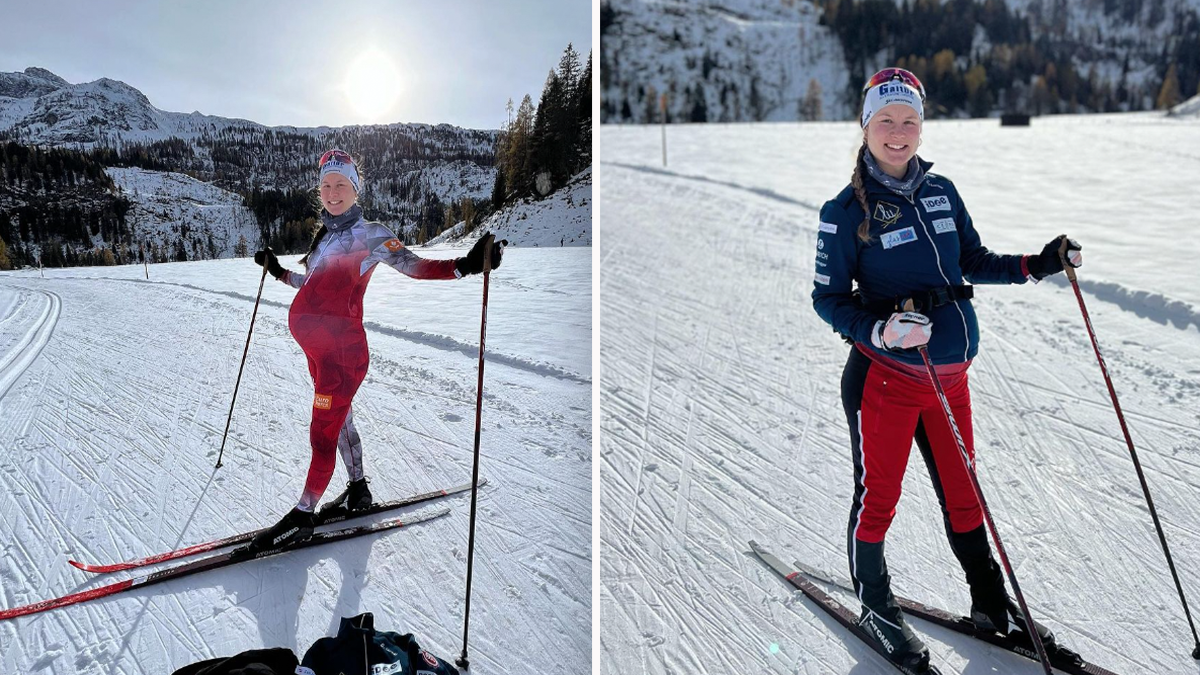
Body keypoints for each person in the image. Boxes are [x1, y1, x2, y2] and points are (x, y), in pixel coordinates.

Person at [812, 68, 1083, 671]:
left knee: (966, 495)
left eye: (909, 120)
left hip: (950, 379)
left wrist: (1037, 264)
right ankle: (876, 607)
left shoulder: (942, 191)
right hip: (884, 381)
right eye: (886, 120)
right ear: (865, 126)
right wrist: (879, 330)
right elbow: (827, 300)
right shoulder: (844, 211)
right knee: (879, 498)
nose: (899, 132)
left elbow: (972, 259)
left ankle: (990, 604)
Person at [244, 149, 503, 555]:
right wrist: (276, 270)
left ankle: (303, 514)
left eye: (341, 185)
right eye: (326, 186)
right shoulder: (325, 238)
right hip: (319, 353)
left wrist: (465, 265)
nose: (332, 193)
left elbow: (415, 266)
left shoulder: (372, 235)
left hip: (342, 356)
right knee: (341, 421)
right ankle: (358, 489)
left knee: (322, 434)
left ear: (355, 189)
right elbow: (309, 285)